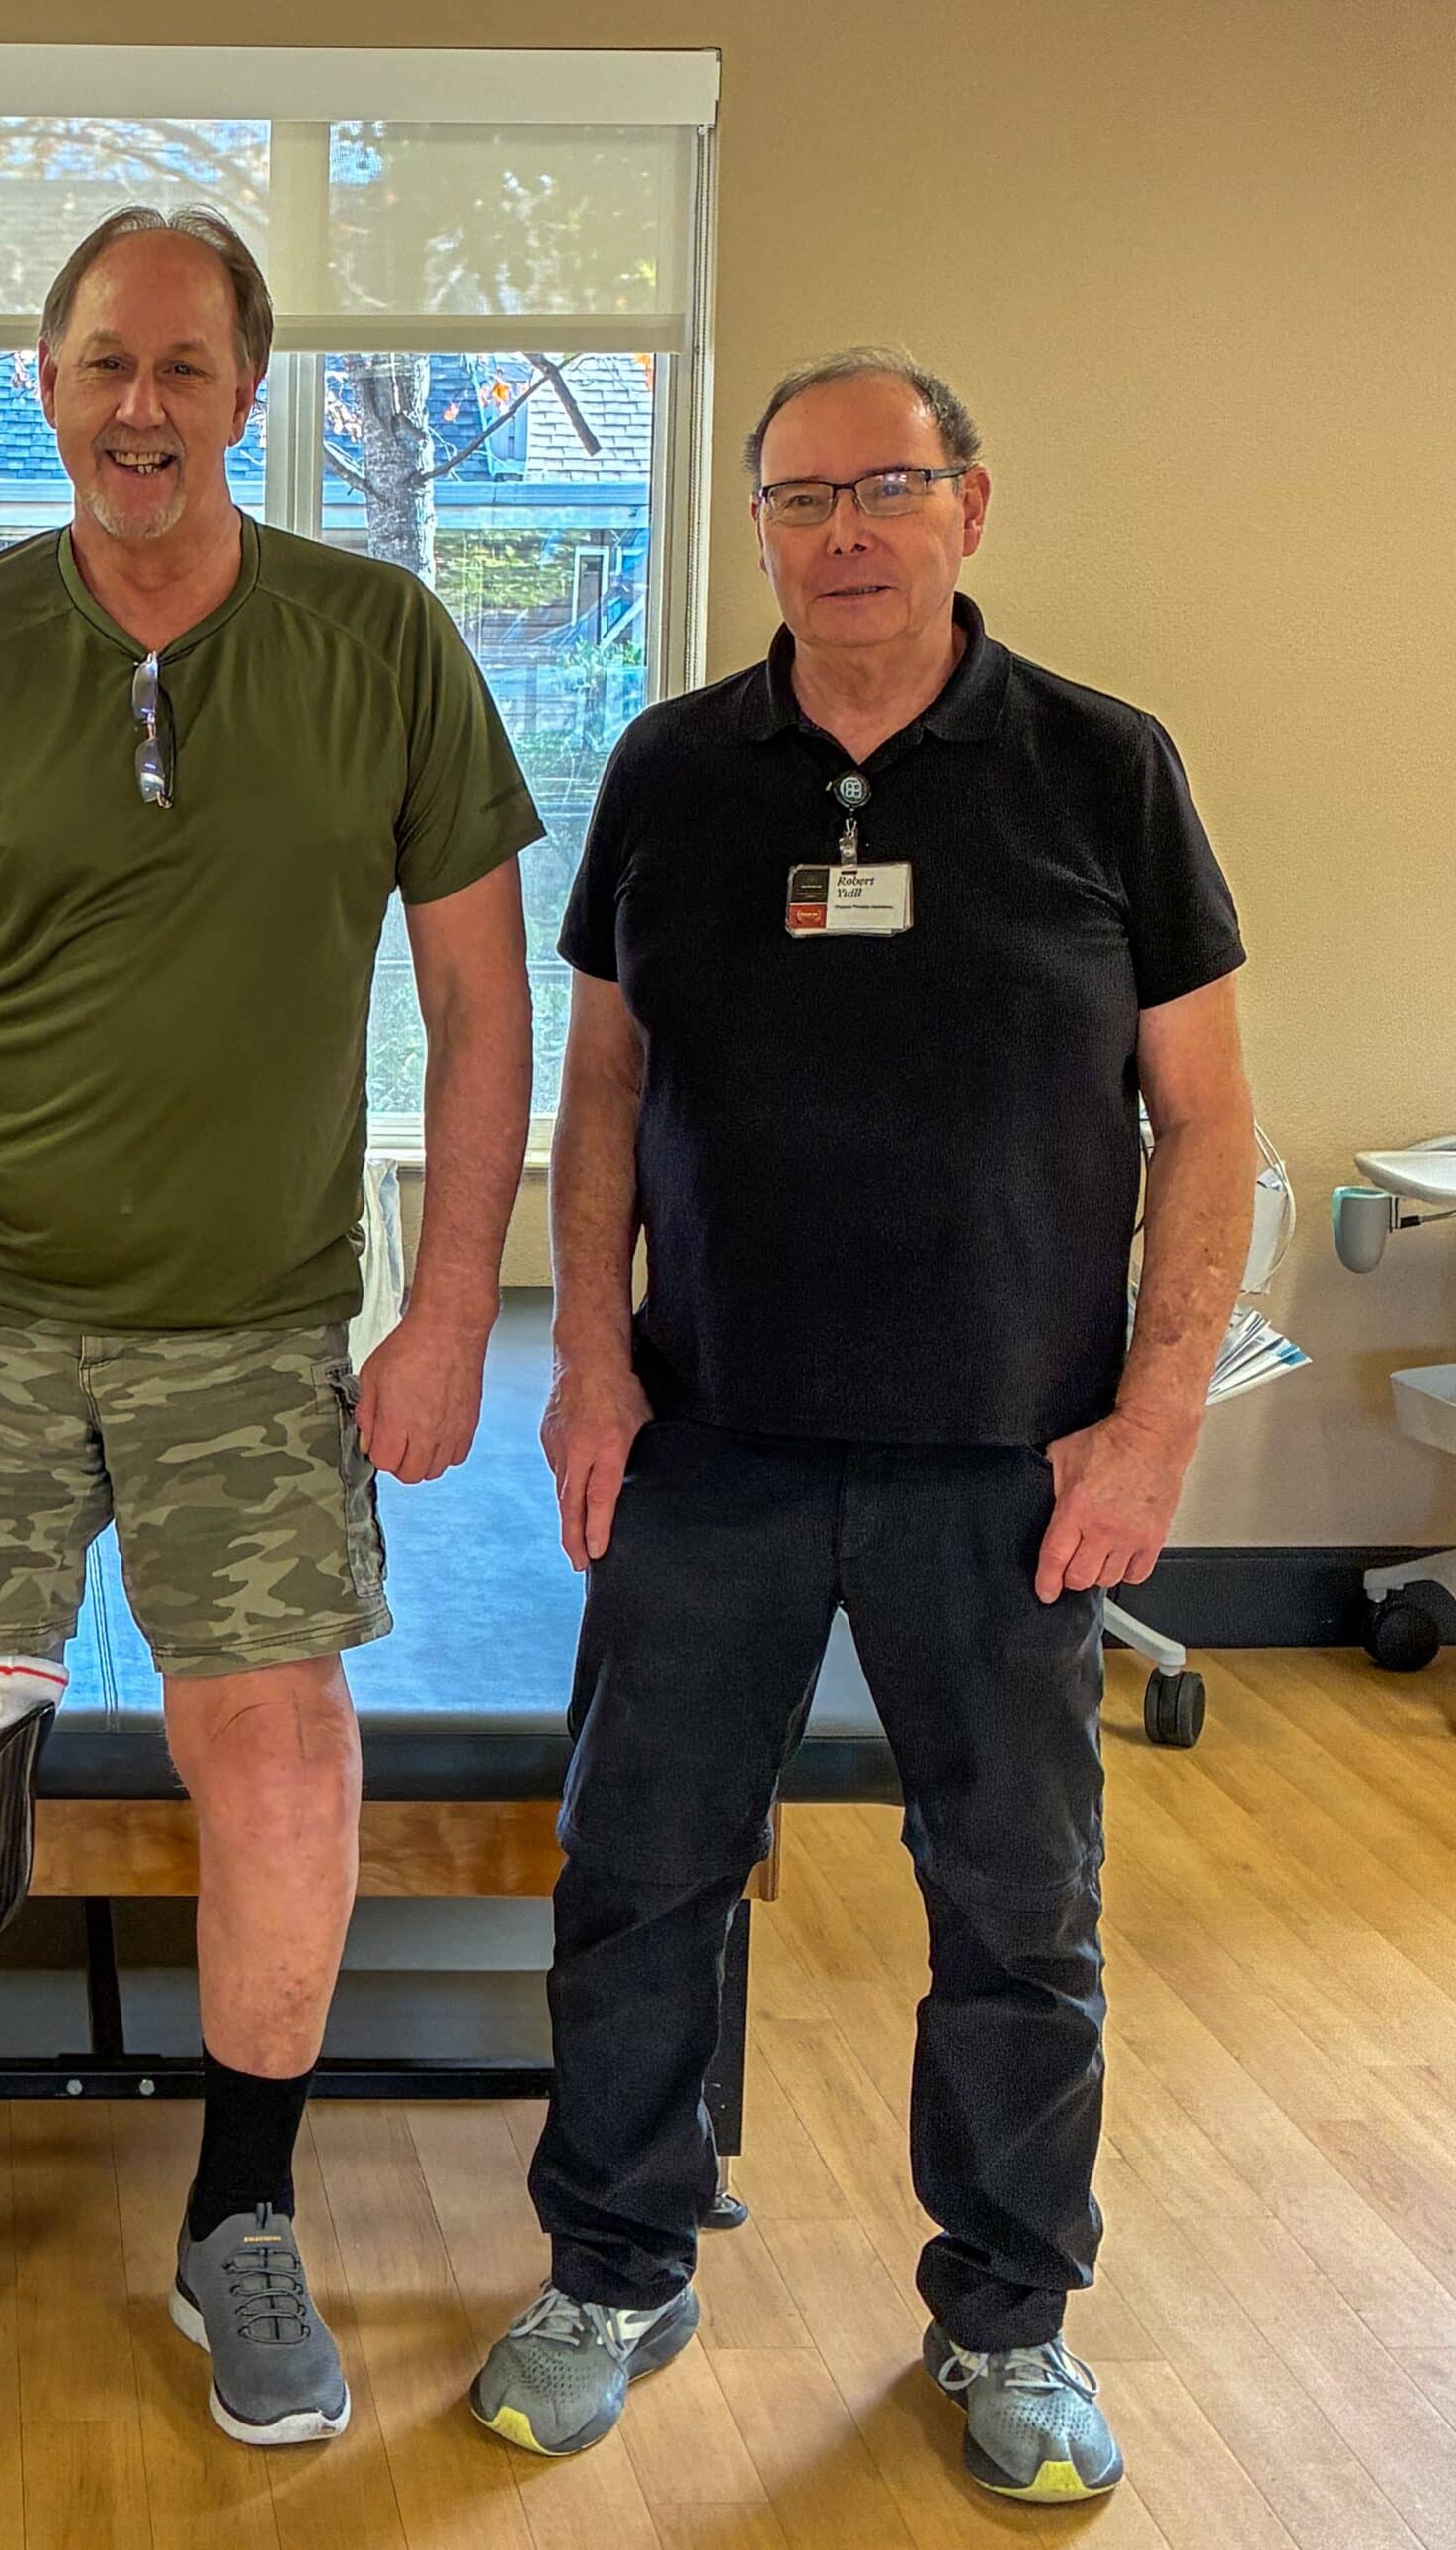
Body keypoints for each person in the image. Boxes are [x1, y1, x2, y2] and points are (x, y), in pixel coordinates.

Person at [468, 349, 1256, 2502]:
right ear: (758, 529)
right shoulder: (668, 768)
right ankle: (613, 2261)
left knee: (1017, 1908)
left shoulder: (1102, 768)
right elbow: (603, 1087)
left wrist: (1150, 1418)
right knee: (638, 1875)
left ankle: (1007, 2314)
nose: (841, 534)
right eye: (797, 497)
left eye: (883, 490)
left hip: (1009, 1460)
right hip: (712, 1435)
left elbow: (1202, 1121)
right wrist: (596, 1360)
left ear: (967, 511)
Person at [0, 205, 538, 2444]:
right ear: (47, 381)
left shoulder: (380, 638)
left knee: (280, 1756)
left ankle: (240, 2215)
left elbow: (485, 998)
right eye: (106, 360)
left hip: (255, 1324)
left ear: (245, 388)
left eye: (186, 365)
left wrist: (448, 1316)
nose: (143, 403)